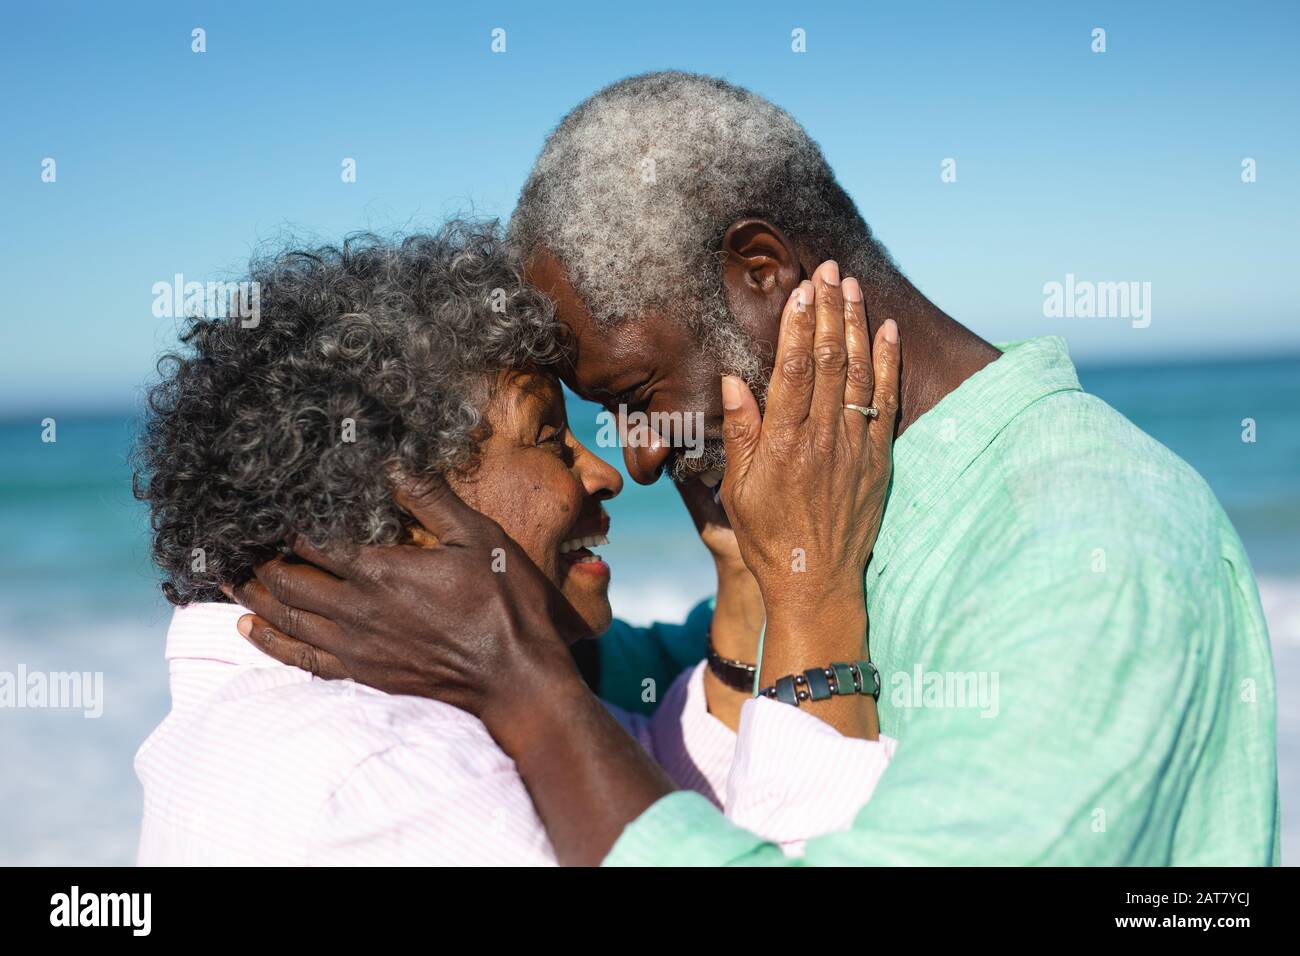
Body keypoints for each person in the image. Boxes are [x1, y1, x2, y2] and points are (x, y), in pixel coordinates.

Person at [240, 72, 1279, 866]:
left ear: (762, 272)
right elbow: (665, 688)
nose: (637, 457)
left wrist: (525, 690)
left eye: (635, 393)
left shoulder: (1089, 549)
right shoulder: (836, 507)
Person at [132, 222, 896, 865]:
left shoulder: (377, 707)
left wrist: (745, 573)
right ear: (399, 513)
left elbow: (657, 802)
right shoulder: (379, 771)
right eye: (550, 442)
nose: (605, 473)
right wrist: (814, 590)